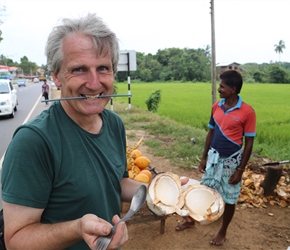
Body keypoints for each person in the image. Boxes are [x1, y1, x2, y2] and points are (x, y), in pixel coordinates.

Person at [1, 13, 148, 250]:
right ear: (57, 76)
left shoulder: (114, 124)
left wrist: (162, 191)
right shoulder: (33, 142)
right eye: (79, 69)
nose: (93, 82)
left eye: (103, 68)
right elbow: (15, 240)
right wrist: (77, 229)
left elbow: (116, 183)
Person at [175, 70, 256, 246]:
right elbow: (211, 132)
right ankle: (190, 220)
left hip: (232, 162)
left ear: (233, 89)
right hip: (213, 157)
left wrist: (240, 170)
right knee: (202, 189)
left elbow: (249, 143)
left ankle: (222, 231)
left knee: (229, 197)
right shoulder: (216, 107)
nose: (219, 89)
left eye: (222, 86)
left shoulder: (247, 112)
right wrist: (203, 157)